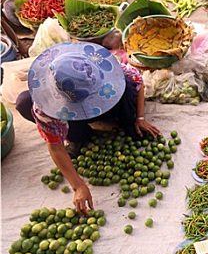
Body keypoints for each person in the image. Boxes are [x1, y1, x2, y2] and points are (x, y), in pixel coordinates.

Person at [16, 42, 162, 215]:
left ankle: (126, 121)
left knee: (127, 89)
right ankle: (79, 136)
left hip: (107, 101)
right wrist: (78, 185)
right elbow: (55, 146)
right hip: (70, 114)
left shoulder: (103, 67)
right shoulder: (46, 106)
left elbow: (139, 82)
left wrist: (140, 118)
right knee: (24, 102)